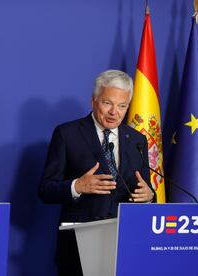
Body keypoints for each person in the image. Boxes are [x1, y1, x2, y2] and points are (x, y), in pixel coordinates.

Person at [39, 70, 156, 275]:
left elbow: (143, 187)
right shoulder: (67, 134)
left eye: (122, 106)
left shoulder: (137, 139)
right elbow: (46, 189)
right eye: (107, 103)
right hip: (79, 246)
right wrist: (77, 186)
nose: (114, 112)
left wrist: (150, 196)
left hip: (126, 244)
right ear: (94, 101)